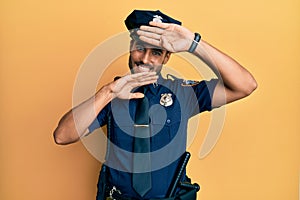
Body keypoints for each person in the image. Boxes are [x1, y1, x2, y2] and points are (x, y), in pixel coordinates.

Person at [53, 10, 257, 200]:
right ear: (131, 47)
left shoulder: (183, 94)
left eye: (157, 53)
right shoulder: (110, 95)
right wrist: (108, 92)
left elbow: (245, 85)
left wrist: (194, 45)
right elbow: (62, 136)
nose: (145, 59)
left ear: (167, 57)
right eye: (140, 48)